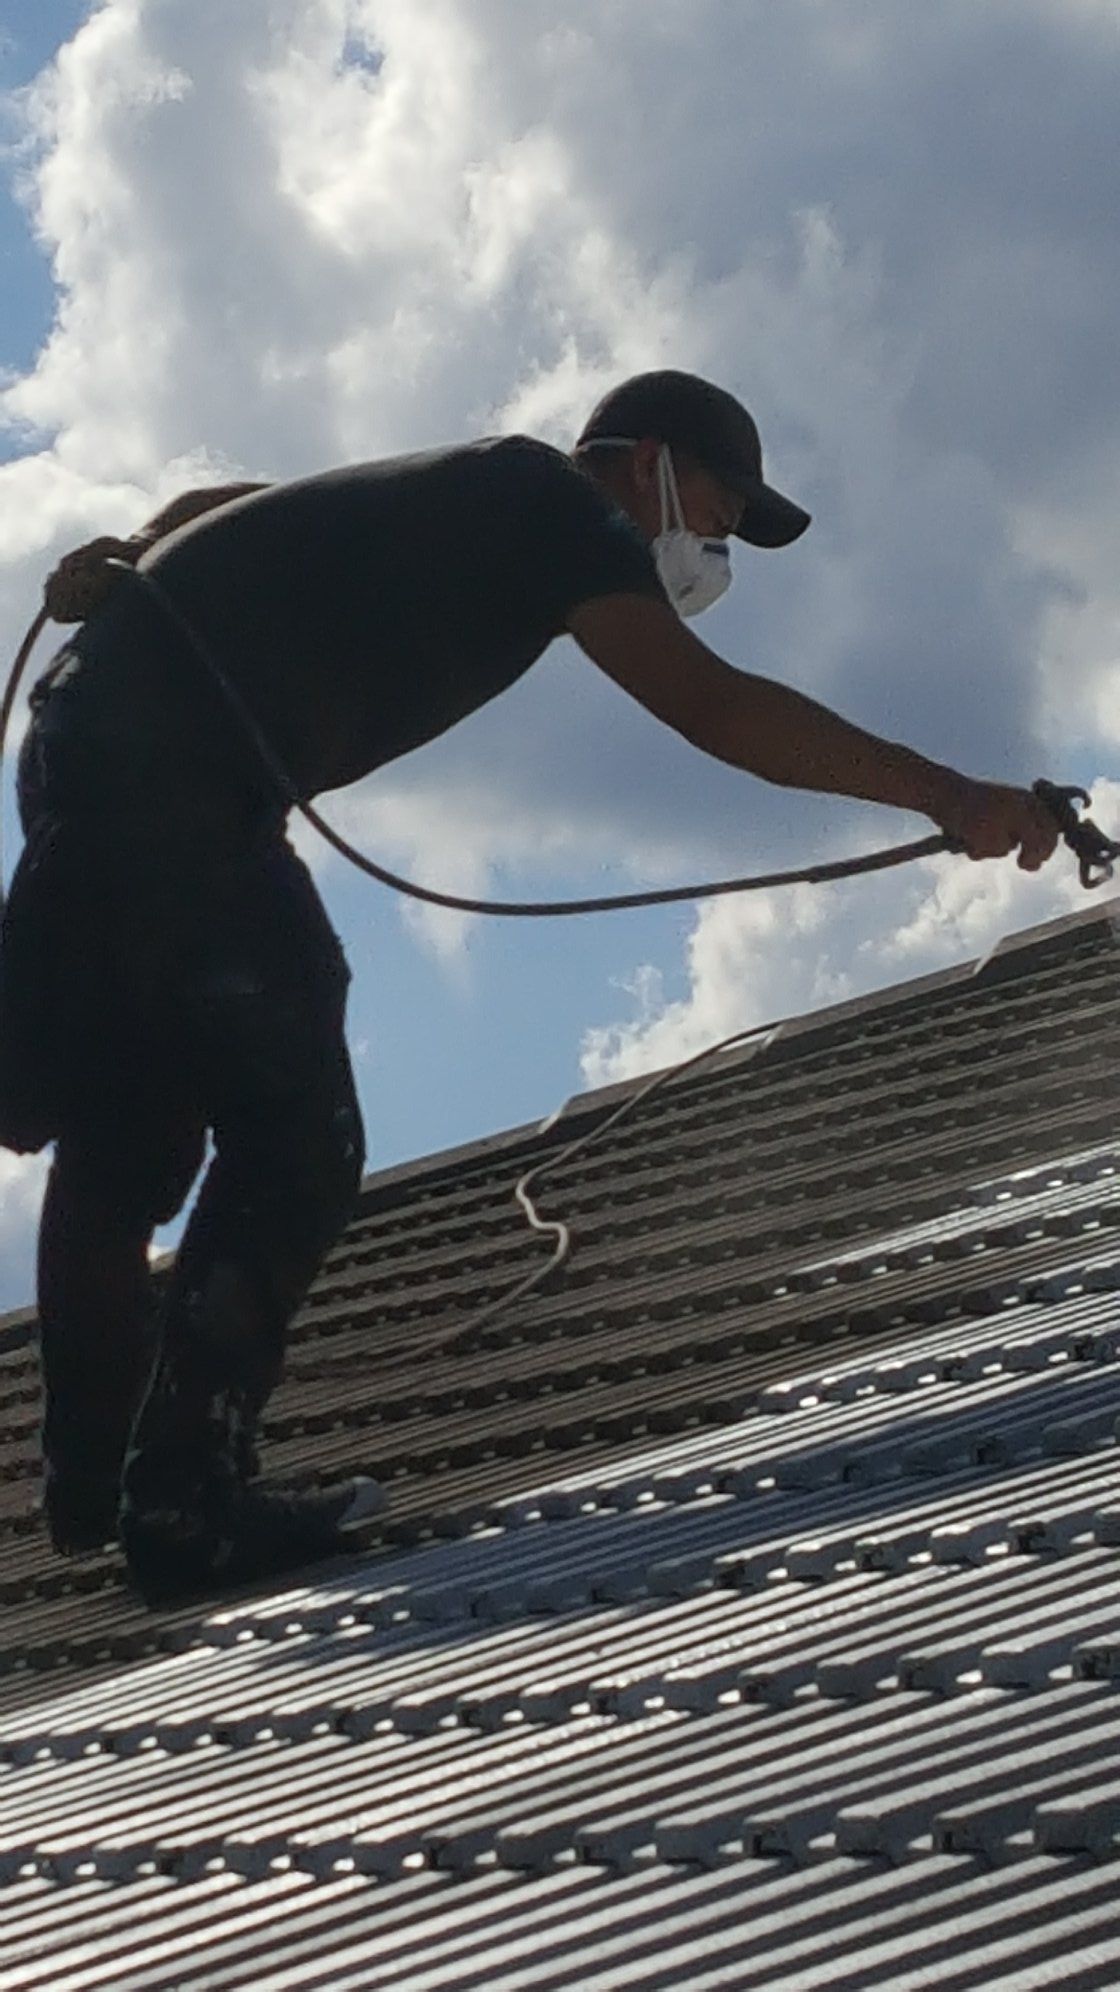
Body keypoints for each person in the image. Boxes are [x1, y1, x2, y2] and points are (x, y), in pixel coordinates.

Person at [0, 369, 1058, 1599]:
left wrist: (133, 546)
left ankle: (90, 1480)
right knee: (295, 1127)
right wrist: (950, 795)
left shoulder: (469, 493)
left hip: (88, 753)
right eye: (719, 506)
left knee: (137, 1109)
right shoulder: (553, 508)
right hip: (173, 778)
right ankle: (183, 1501)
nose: (715, 542)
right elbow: (712, 708)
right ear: (646, 461)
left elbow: (227, 504)